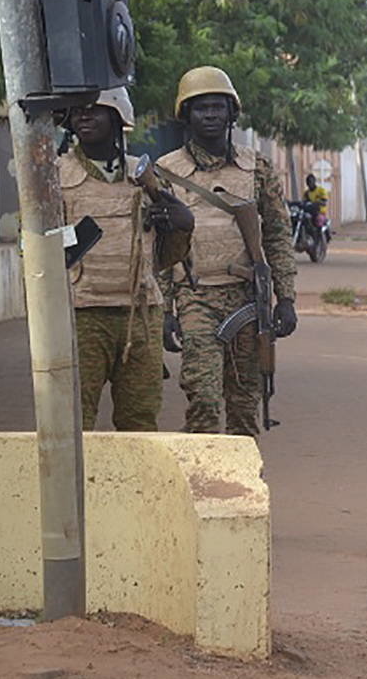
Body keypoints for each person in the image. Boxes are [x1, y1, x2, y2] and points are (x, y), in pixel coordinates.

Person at [157, 66, 298, 436]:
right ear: (186, 114)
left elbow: (278, 236)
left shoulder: (257, 168)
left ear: (232, 113)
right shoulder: (166, 172)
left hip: (246, 299)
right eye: (200, 108)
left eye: (218, 107)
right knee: (202, 397)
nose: (210, 115)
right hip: (194, 297)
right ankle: (204, 481)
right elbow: (158, 248)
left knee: (244, 401)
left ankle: (242, 483)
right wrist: (164, 310)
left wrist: (285, 298)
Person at [58, 87, 193, 431]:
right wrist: (76, 237)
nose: (84, 117)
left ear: (119, 117)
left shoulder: (145, 177)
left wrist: (180, 225)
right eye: (78, 112)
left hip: (140, 314)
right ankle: (79, 487)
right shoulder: (55, 175)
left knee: (140, 420)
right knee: (74, 420)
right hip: (81, 314)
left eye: (95, 110)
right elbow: (31, 247)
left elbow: (165, 256)